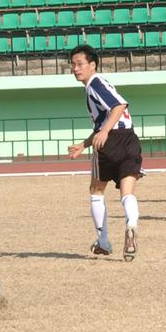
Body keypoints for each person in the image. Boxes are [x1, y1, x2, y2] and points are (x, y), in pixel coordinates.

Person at [64, 44, 141, 261]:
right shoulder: (98, 84)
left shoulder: (95, 83)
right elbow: (107, 118)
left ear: (93, 65)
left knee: (96, 190)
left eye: (80, 64)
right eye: (72, 64)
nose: (75, 69)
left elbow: (119, 105)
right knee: (127, 192)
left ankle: (103, 241)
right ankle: (131, 224)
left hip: (111, 141)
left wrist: (105, 131)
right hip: (129, 138)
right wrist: (84, 144)